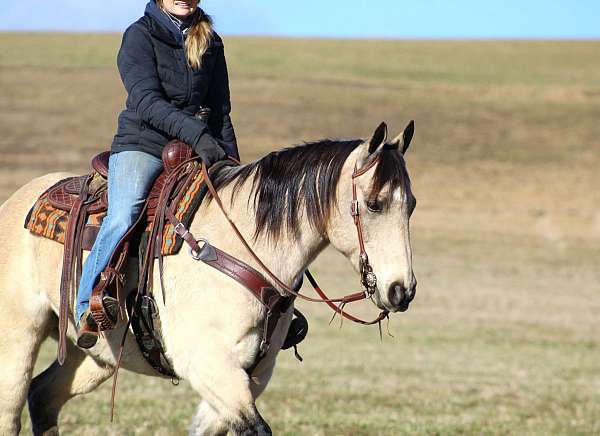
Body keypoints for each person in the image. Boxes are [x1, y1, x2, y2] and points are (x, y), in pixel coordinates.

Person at [75, 0, 239, 348]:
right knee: (124, 213)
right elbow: (146, 101)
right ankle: (86, 304)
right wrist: (197, 135)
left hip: (196, 146)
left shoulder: (211, 40)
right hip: (143, 144)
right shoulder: (138, 35)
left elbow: (221, 109)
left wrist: (231, 164)